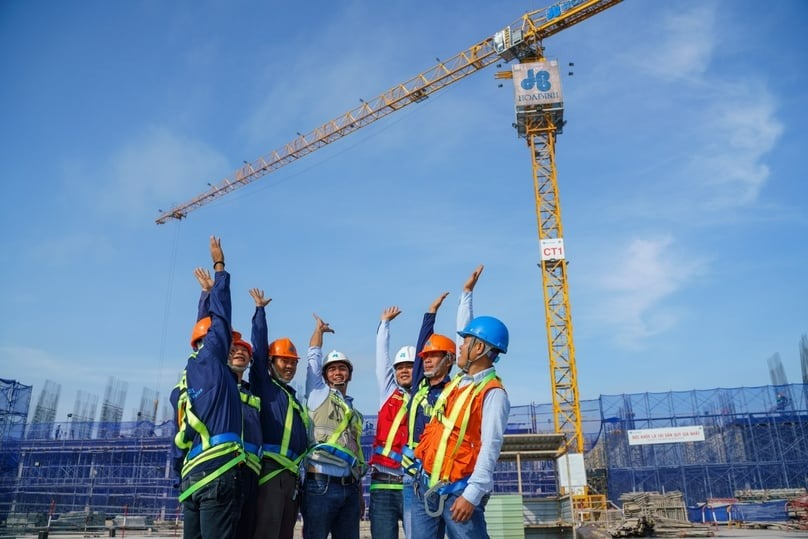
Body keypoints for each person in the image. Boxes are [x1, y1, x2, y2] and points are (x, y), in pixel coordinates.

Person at [171, 236, 244, 539]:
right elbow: (221, 319)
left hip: (191, 477)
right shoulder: (214, 360)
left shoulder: (182, 383)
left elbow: (175, 441)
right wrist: (220, 269)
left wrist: (204, 297)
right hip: (218, 470)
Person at [411, 315, 510, 538]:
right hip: (427, 485)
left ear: (479, 348)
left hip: (460, 492)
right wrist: (466, 294)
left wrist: (472, 495)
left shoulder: (493, 393)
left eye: (465, 343)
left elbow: (491, 446)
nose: (460, 348)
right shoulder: (459, 382)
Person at [401, 265, 482, 535]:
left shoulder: (458, 386)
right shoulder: (417, 386)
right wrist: (430, 315)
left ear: (449, 360)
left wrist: (466, 295)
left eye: (434, 356)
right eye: (425, 357)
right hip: (415, 479)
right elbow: (423, 343)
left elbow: (467, 341)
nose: (427, 360)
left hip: (451, 480)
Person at [192, 269, 263, 539]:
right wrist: (208, 296)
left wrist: (259, 313)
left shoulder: (251, 392)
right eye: (233, 349)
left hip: (248, 473)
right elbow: (205, 338)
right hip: (221, 468)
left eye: (243, 351)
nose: (238, 352)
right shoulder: (217, 383)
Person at [248, 287, 311, 539]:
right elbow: (259, 348)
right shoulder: (263, 384)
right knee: (266, 531)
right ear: (271, 362)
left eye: (293, 362)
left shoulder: (291, 398)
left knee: (284, 533)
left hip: (292, 476)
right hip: (271, 473)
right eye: (284, 361)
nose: (290, 366)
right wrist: (260, 312)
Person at [302, 314, 366, 539]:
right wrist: (319, 331)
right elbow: (313, 358)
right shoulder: (318, 394)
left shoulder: (355, 414)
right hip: (320, 484)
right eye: (332, 369)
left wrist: (358, 493)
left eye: (342, 368)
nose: (338, 372)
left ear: (349, 373)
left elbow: (355, 455)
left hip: (349, 486)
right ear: (325, 375)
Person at [368, 306, 415, 539]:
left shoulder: (426, 399)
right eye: (400, 367)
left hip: (412, 485)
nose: (404, 371)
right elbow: (381, 361)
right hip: (383, 485)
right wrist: (384, 324)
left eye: (409, 366)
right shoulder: (388, 393)